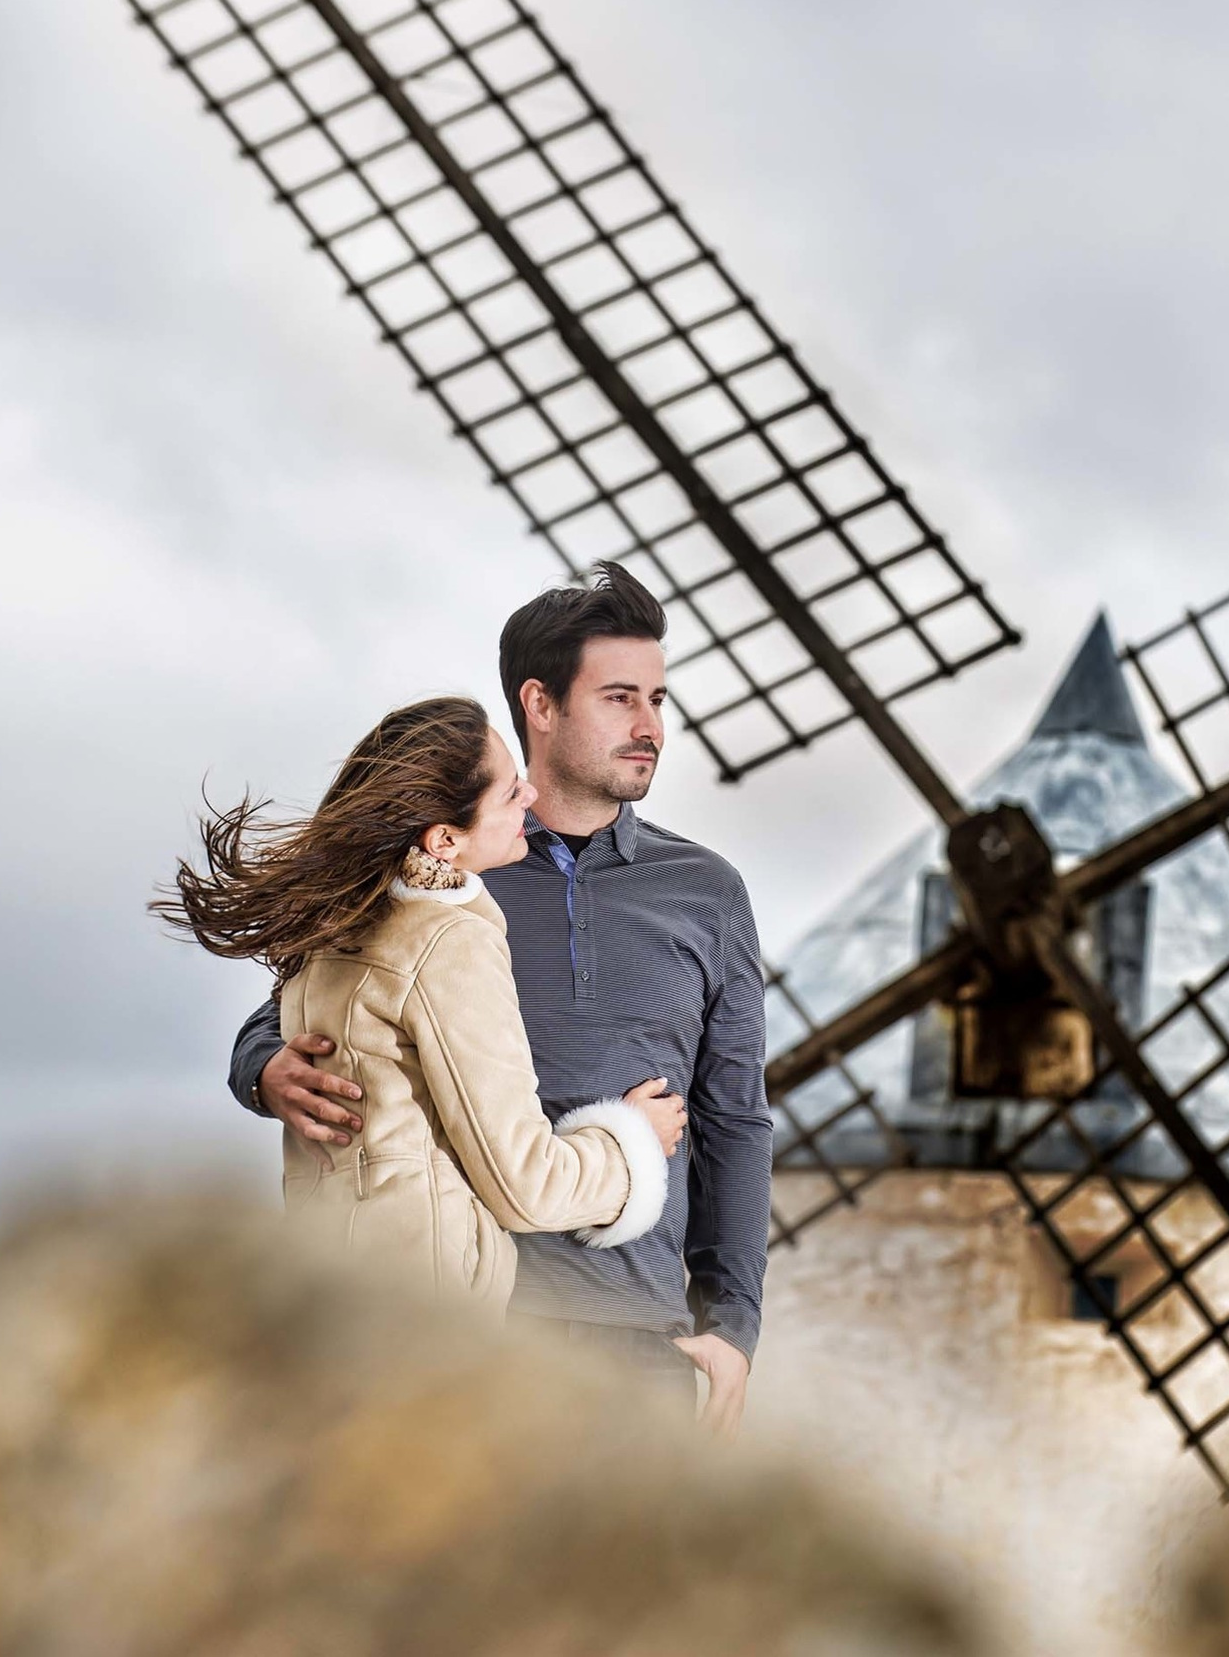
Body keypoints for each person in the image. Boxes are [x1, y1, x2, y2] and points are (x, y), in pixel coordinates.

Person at [228, 563, 771, 1432]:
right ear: (541, 705)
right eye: (621, 697)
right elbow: (299, 1007)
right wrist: (265, 1070)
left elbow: (736, 1117)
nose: (651, 727)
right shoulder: (440, 876)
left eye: (660, 699)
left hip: (640, 1342)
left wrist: (733, 1325)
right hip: (462, 1332)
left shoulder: (708, 891)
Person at [155, 696, 686, 1316]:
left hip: (328, 1292)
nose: (532, 800)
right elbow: (527, 1186)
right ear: (445, 839)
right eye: (512, 793)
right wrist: (632, 1144)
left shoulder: (333, 930)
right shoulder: (449, 939)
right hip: (429, 1311)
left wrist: (261, 1068)